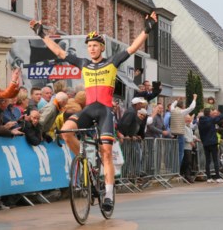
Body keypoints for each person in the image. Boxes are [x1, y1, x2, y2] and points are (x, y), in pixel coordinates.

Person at [30, 11, 158, 211]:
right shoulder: (83, 63)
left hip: (105, 111)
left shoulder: (112, 61)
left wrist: (147, 29)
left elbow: (132, 48)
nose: (91, 49)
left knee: (106, 153)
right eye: (89, 46)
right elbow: (59, 52)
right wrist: (42, 34)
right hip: (89, 109)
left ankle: (107, 195)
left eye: (95, 46)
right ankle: (85, 162)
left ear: (101, 48)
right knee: (66, 130)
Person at [198, 106, 223, 183]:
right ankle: (217, 177)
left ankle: (209, 178)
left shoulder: (200, 122)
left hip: (205, 143)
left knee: (208, 160)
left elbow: (200, 133)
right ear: (209, 113)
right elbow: (221, 116)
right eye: (211, 111)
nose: (213, 112)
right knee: (215, 159)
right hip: (213, 142)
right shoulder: (211, 120)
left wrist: (203, 141)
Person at [170, 94, 197, 165]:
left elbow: (172, 105)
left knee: (174, 154)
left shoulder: (172, 110)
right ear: (183, 106)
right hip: (180, 134)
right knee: (180, 154)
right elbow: (191, 107)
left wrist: (177, 100)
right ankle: (177, 171)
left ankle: (175, 171)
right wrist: (194, 98)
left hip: (173, 134)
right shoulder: (182, 112)